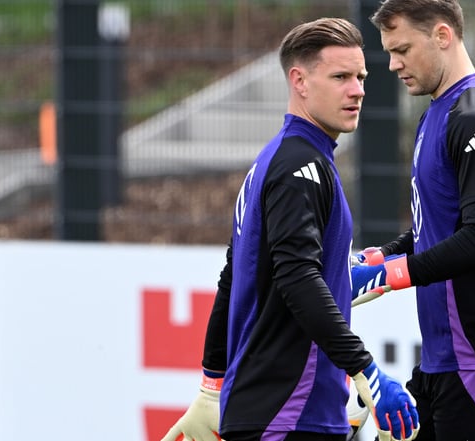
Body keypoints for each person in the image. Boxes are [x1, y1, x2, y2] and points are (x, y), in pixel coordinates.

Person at [161, 17, 419, 441]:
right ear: (299, 81)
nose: (357, 90)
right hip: (289, 413)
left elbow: (236, 277)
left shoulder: (278, 160)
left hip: (272, 410)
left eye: (360, 77)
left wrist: (212, 383)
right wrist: (366, 371)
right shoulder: (301, 168)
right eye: (340, 77)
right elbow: (298, 277)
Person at [350, 1, 475, 440]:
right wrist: (381, 256)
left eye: (401, 49)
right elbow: (437, 227)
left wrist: (392, 274)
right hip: (447, 360)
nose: (393, 64)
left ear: (442, 36)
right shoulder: (437, 112)